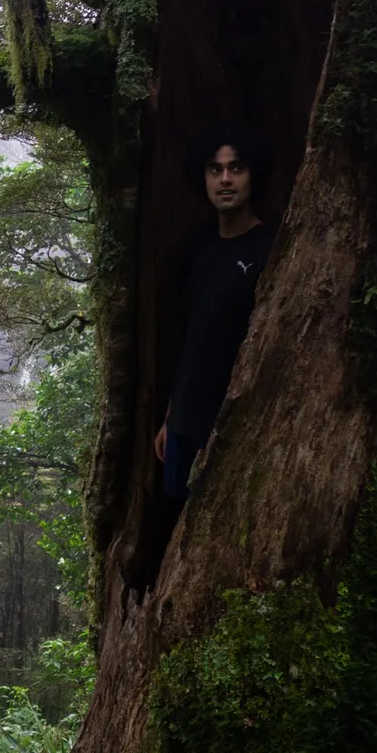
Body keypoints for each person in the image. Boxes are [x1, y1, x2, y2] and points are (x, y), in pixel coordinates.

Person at [155, 130, 273, 499]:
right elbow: (191, 336)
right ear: (203, 178)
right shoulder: (198, 249)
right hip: (185, 422)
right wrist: (170, 417)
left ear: (252, 176)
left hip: (238, 422)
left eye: (236, 168)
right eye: (215, 169)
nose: (225, 179)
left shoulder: (274, 246)